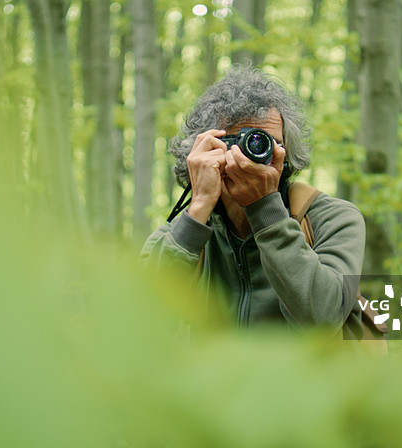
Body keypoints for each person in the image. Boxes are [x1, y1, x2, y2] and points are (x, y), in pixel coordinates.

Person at [141, 66, 366, 331]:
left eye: (267, 143)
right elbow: (141, 323)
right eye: (238, 141)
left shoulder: (331, 219)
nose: (253, 154)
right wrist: (199, 206)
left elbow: (326, 319)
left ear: (287, 151)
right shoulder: (177, 235)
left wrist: (266, 210)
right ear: (205, 150)